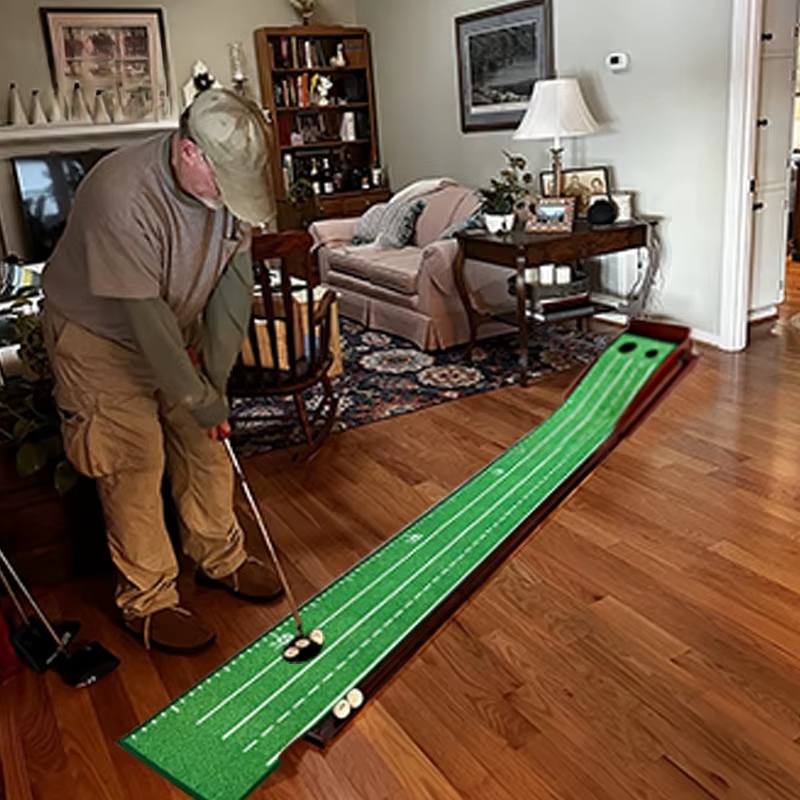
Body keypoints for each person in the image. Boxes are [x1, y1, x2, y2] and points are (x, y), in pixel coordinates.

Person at [41, 88, 283, 655]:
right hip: (98, 336)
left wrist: (214, 383)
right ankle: (147, 600)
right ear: (188, 150)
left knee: (204, 443)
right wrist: (196, 396)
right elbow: (144, 321)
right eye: (222, 184)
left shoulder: (231, 182)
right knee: (133, 458)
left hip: (175, 318)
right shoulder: (120, 193)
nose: (228, 198)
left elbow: (234, 284)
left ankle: (219, 556)